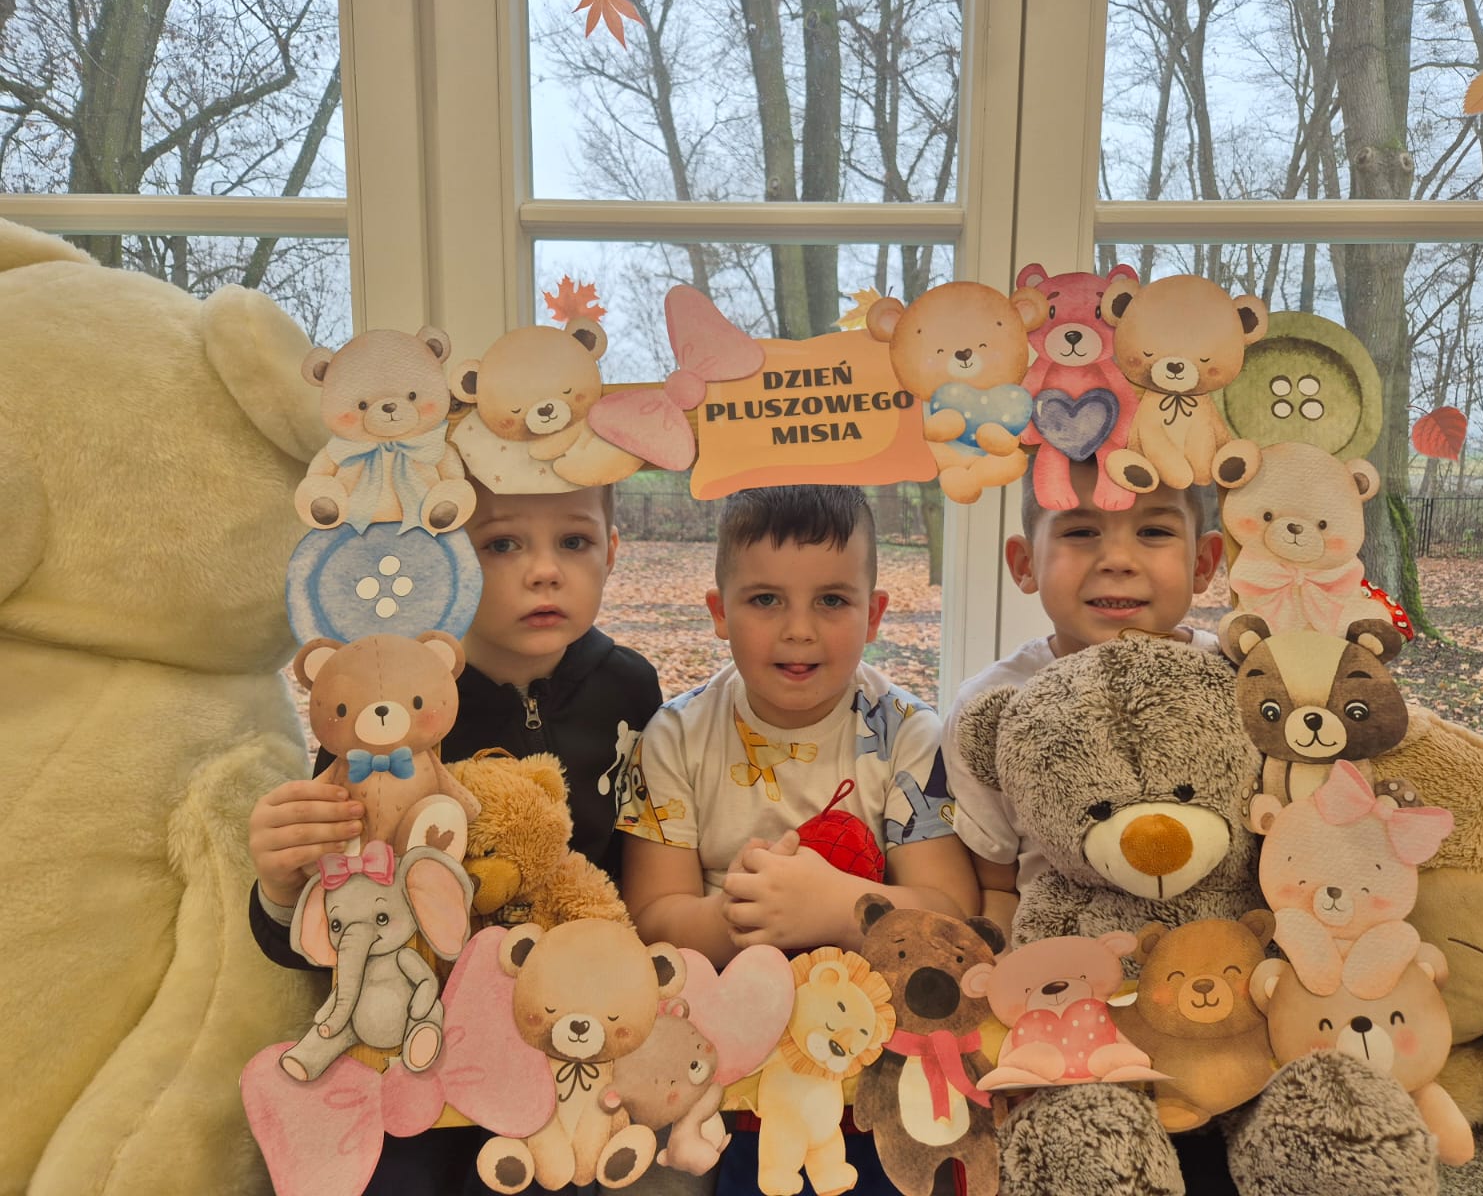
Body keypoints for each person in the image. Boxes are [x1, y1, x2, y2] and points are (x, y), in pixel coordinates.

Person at [247, 481, 661, 1196]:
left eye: (574, 541)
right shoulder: (387, 700)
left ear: (612, 550)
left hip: (563, 1039)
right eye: (501, 544)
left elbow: (631, 876)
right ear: (441, 566)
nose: (544, 570)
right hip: (411, 1031)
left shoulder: (630, 690)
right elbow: (321, 928)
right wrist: (282, 885)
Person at [617, 483, 978, 1196]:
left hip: (870, 1048)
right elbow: (652, 917)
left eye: (832, 600)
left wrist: (839, 909)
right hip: (720, 1050)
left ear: (874, 614)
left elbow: (952, 915)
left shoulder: (907, 734)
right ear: (720, 612)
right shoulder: (675, 736)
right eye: (765, 600)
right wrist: (744, 918)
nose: (799, 630)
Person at [940, 455, 1224, 937]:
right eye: (1080, 532)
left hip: (1220, 965)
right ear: (1025, 564)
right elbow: (996, 885)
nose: (1117, 560)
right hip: (1060, 969)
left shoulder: (1239, 681)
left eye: (1154, 531)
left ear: (1202, 563)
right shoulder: (989, 706)